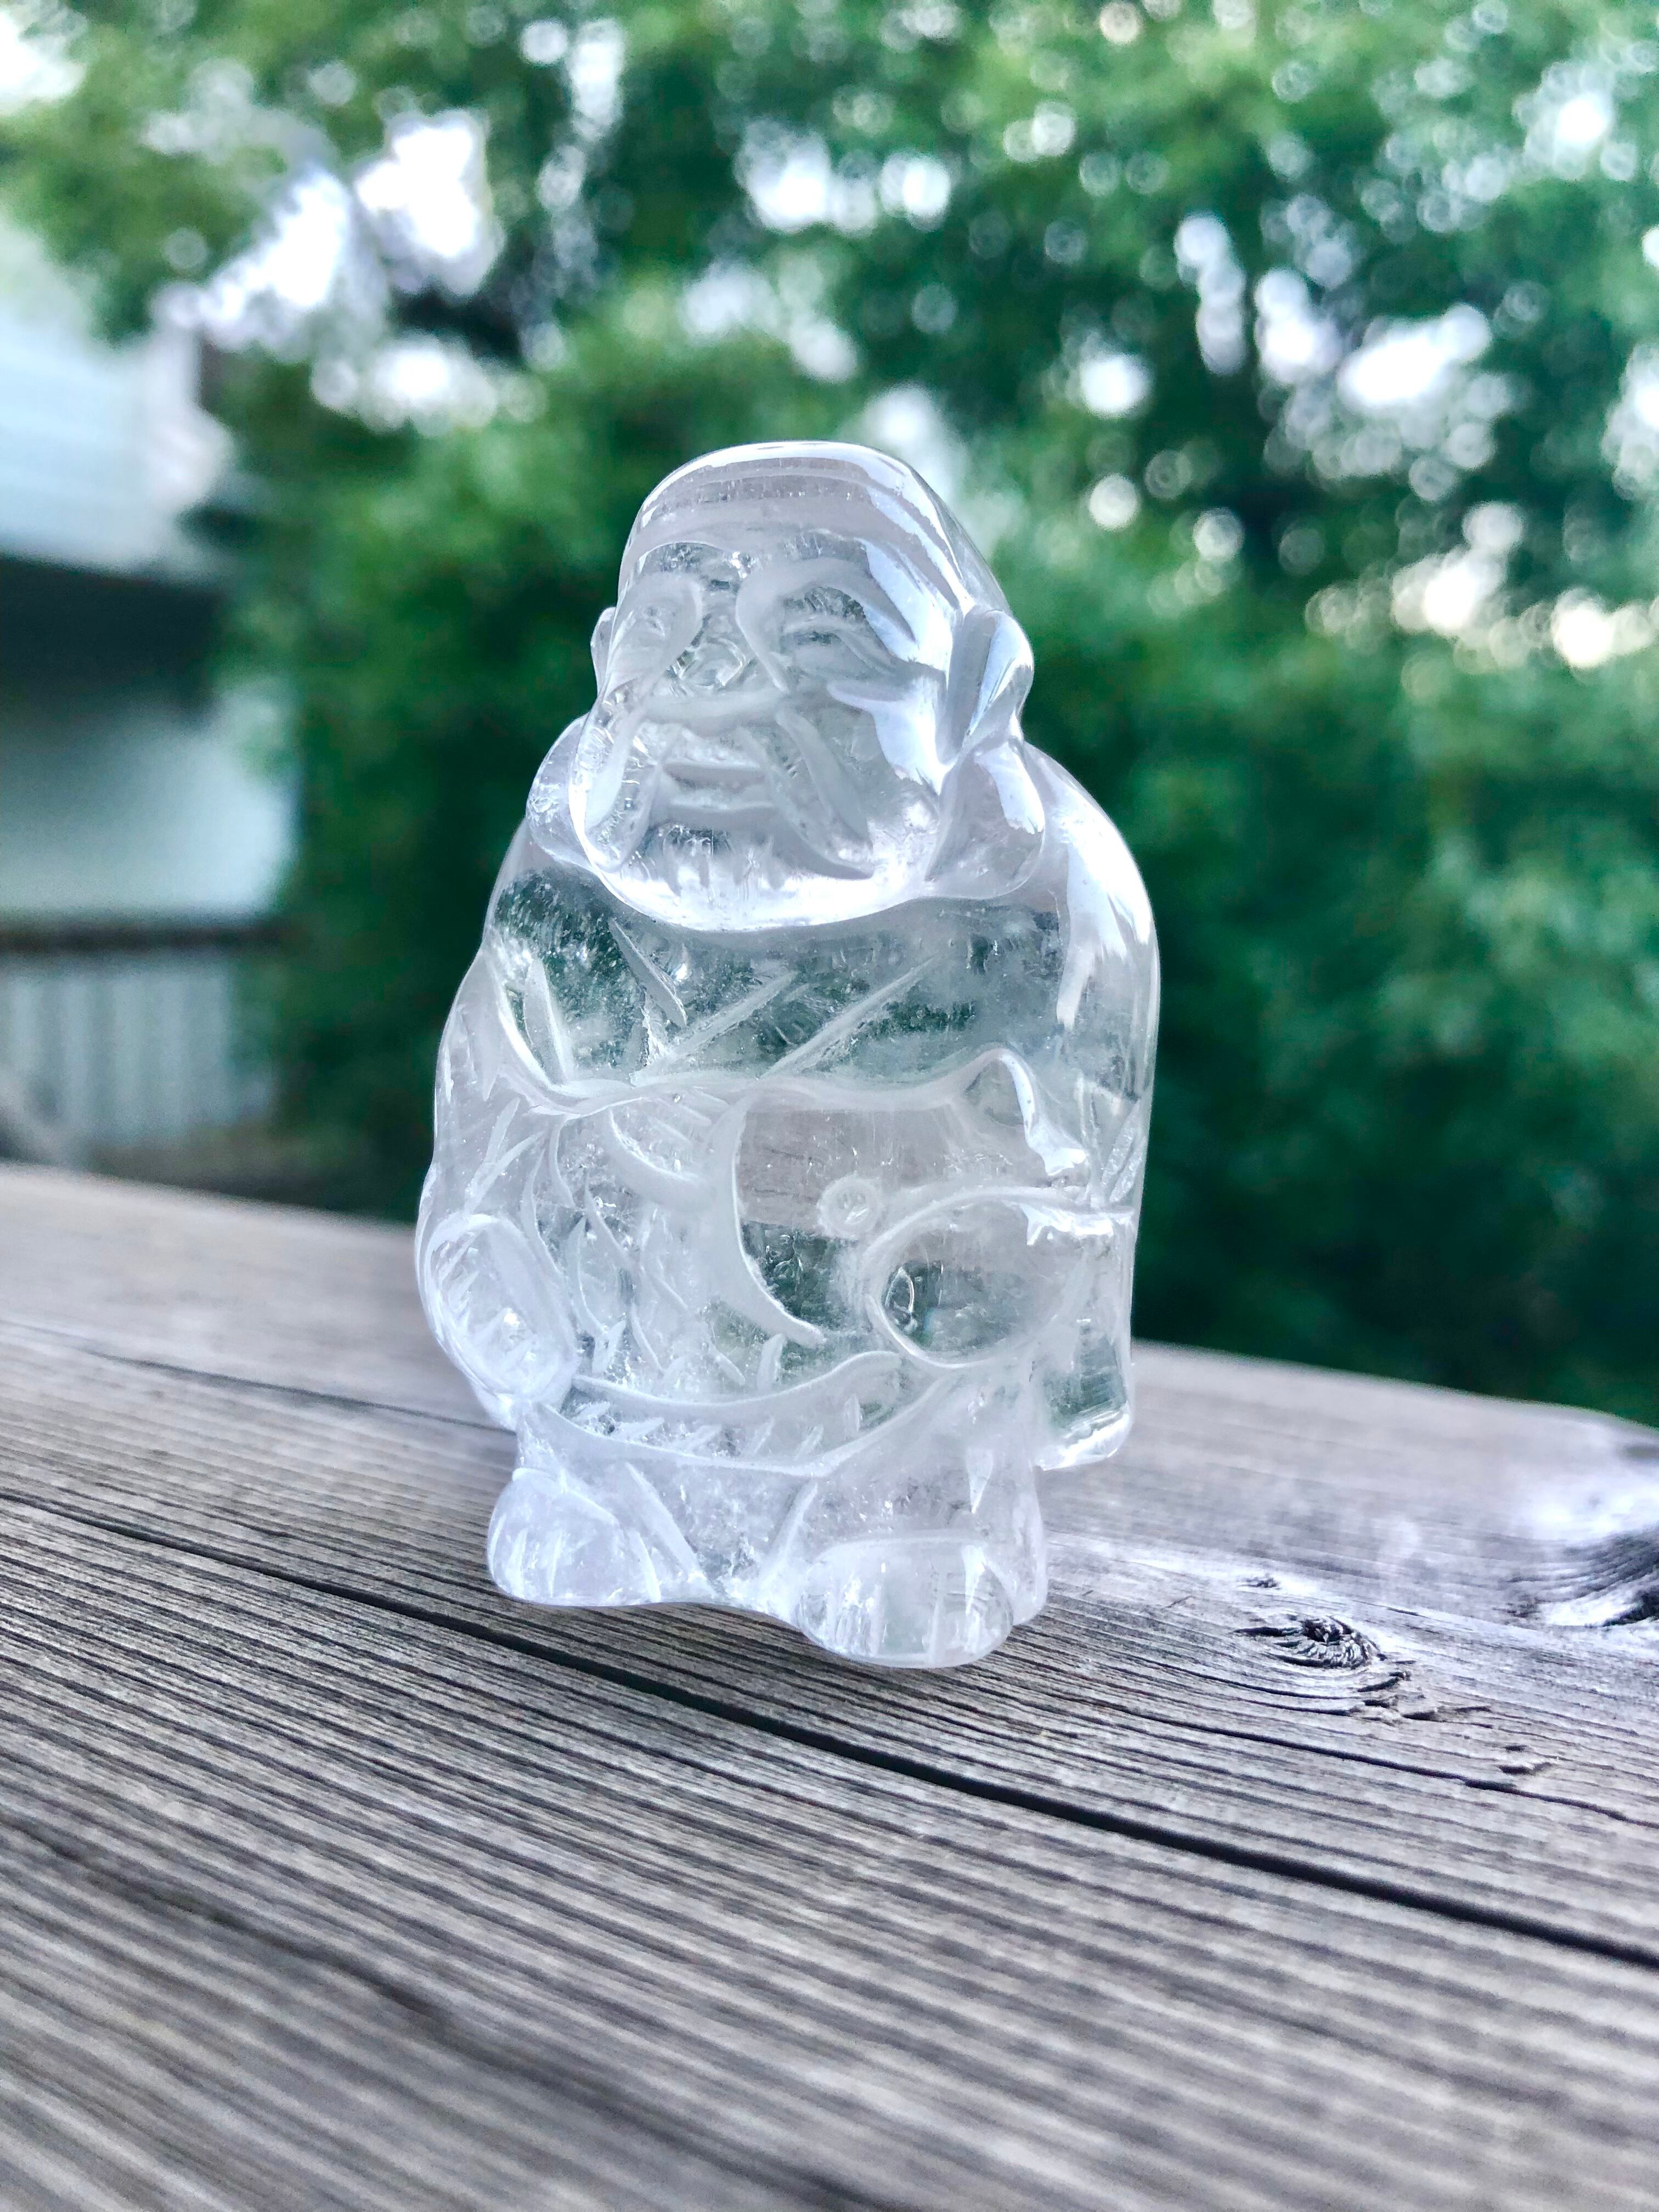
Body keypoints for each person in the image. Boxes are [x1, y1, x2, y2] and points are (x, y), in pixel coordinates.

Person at [418, 440, 1158, 1666]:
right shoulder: (563, 873)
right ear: (608, 656)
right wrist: (482, 1267)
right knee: (590, 1483)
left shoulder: (1040, 903)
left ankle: (906, 1536)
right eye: (668, 625)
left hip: (886, 1389)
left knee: (911, 1485)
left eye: (818, 633)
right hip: (615, 1368)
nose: (712, 681)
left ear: (976, 687)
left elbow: (1092, 1161)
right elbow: (484, 1101)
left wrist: (1057, 1348)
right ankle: (600, 1500)